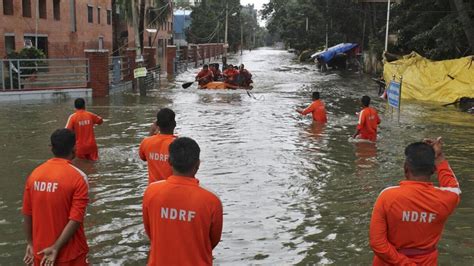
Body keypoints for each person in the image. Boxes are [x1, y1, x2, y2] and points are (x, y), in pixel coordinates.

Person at [369, 138, 460, 265]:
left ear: (406, 168)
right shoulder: (446, 199)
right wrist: (439, 158)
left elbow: (377, 244)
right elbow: (453, 187)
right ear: (433, 170)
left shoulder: (387, 196)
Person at [142, 137, 223, 265]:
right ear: (198, 164)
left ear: (169, 161)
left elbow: (150, 232)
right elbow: (212, 241)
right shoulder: (212, 200)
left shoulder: (151, 192)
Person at [22, 129, 89, 266]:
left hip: (40, 252)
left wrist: (30, 243)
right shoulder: (79, 177)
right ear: (75, 148)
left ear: (51, 148)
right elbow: (76, 218)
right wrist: (56, 247)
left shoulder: (34, 174)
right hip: (70, 253)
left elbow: (27, 214)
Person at [139, 108, 177, 184]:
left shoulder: (146, 142)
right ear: (174, 124)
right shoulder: (180, 144)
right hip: (172, 190)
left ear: (157, 124)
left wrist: (151, 132)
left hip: (153, 191)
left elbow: (143, 157)